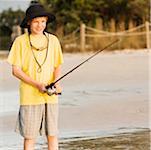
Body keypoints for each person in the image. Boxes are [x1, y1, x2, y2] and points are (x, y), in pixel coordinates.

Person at [7, 3, 63, 150]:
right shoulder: (20, 41)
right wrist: (37, 84)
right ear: (29, 22)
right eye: (36, 21)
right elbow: (16, 70)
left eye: (43, 21)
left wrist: (56, 83)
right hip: (29, 96)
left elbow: (57, 65)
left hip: (50, 96)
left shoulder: (54, 40)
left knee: (52, 135)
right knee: (30, 136)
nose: (40, 25)